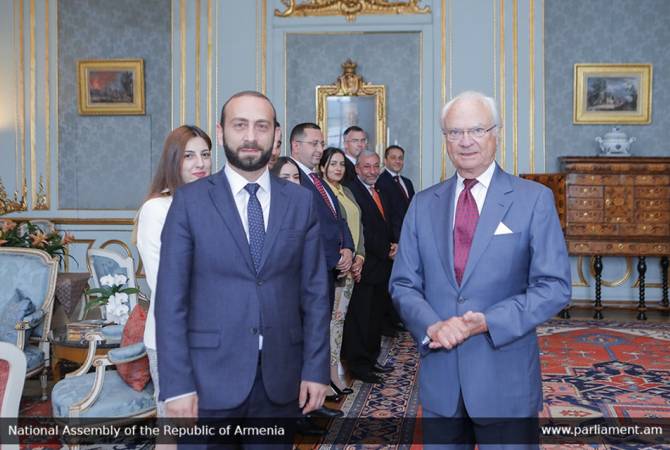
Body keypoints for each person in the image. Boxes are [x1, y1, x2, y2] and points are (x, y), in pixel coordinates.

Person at [389, 91, 571, 449]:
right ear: (445, 139)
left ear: (496, 133)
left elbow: (554, 286)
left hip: (505, 380)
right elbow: (403, 284)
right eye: (455, 132)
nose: (466, 141)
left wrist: (488, 321)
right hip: (441, 383)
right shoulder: (423, 204)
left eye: (476, 129)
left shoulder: (533, 199)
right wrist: (433, 324)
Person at [155, 91, 331, 448]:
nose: (250, 136)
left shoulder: (300, 202)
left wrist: (316, 369)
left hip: (280, 380)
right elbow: (170, 302)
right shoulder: (190, 202)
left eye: (261, 126)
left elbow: (315, 294)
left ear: (275, 135)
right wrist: (177, 385)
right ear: (221, 133)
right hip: (206, 383)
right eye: (240, 125)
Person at [135, 125, 212, 420]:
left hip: (212, 335)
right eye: (189, 156)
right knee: (174, 426)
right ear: (173, 160)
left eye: (205, 154)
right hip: (174, 337)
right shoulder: (157, 209)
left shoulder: (212, 203)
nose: (200, 163)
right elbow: (164, 283)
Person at [342, 150, 397, 385]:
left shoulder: (381, 189)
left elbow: (388, 221)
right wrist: (386, 249)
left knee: (375, 318)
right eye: (367, 167)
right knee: (361, 319)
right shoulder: (353, 191)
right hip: (365, 266)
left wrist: (395, 244)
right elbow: (364, 229)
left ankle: (372, 358)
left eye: (376, 166)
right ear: (357, 169)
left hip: (382, 266)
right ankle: (359, 365)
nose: (372, 171)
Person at [290, 123, 354, 308]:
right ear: (296, 145)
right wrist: (335, 258)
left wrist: (348, 249)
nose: (320, 149)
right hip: (310, 271)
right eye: (314, 143)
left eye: (322, 143)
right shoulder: (291, 178)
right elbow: (304, 228)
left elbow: (338, 219)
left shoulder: (318, 180)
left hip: (328, 271)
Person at [318, 147, 365, 396]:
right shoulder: (320, 192)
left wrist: (359, 255)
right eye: (333, 163)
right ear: (322, 166)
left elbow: (357, 225)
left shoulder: (345, 191)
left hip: (352, 265)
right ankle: (330, 375)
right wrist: (343, 257)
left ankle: (334, 372)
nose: (338, 168)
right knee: (332, 322)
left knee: (340, 321)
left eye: (341, 164)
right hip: (335, 267)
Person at [376, 145, 416, 240]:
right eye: (393, 158)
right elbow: (386, 215)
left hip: (410, 235)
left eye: (400, 158)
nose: (397, 161)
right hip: (393, 239)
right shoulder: (380, 182)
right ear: (385, 161)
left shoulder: (407, 182)